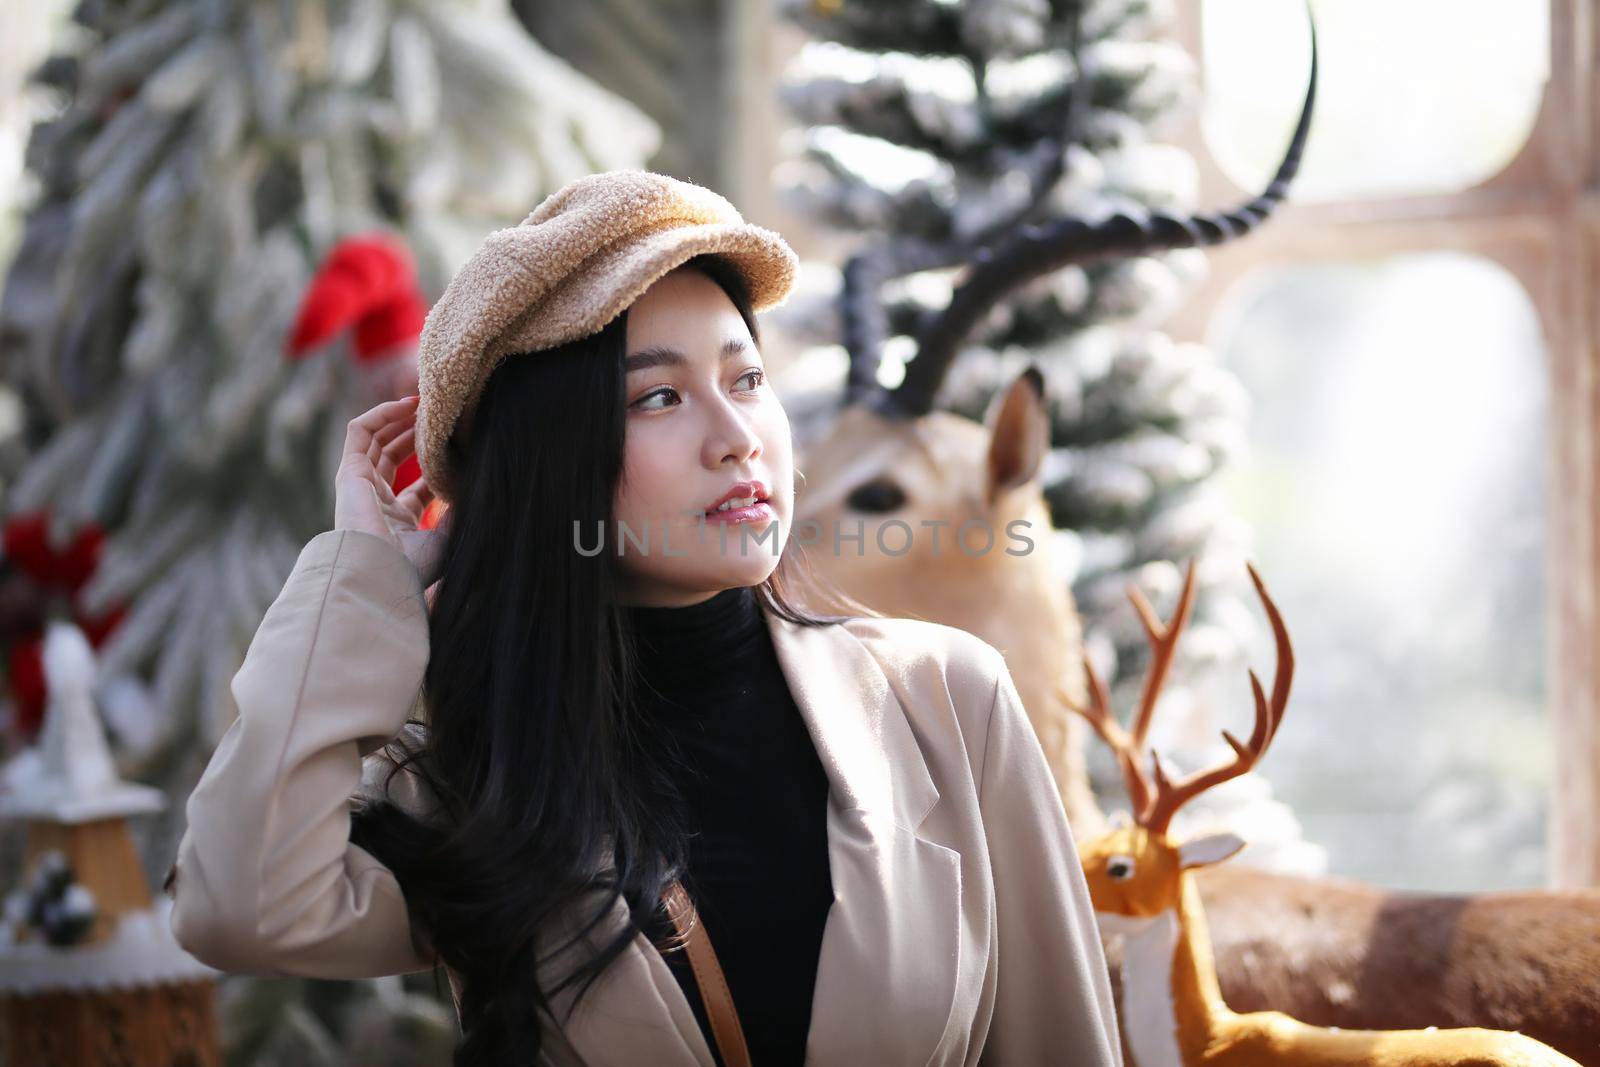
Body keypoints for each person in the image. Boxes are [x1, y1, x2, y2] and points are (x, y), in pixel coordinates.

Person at [166, 170, 1122, 1067]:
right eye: (660, 396)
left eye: (747, 380)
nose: (737, 435)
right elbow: (238, 903)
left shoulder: (946, 701)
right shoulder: (483, 778)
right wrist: (365, 577)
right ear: (556, 463)